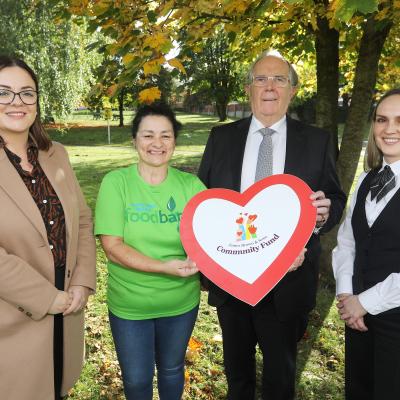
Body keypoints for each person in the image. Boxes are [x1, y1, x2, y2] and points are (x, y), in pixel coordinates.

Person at [198, 50, 346, 400]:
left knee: (280, 380)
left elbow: (335, 198)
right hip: (233, 280)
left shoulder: (318, 140)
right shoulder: (222, 138)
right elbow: (203, 201)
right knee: (238, 378)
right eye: (261, 78)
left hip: (288, 281)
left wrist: (324, 214)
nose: (269, 86)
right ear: (248, 89)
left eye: (279, 79)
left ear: (292, 90)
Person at [0, 56, 96, 400]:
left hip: (66, 309)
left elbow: (83, 219)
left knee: (56, 389)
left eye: (27, 93)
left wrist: (83, 281)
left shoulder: (56, 155)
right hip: (12, 319)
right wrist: (47, 298)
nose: (17, 102)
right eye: (4, 93)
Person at [95, 103, 205, 400]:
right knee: (136, 380)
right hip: (131, 305)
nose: (157, 144)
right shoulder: (116, 183)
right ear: (135, 140)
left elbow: (219, 235)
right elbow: (113, 248)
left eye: (165, 136)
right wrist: (163, 266)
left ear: (174, 141)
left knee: (171, 370)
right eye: (148, 135)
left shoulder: (192, 186)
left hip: (180, 302)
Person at [333, 88, 400, 399]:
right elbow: (347, 240)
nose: (389, 129)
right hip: (358, 319)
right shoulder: (366, 180)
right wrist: (347, 295)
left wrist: (366, 302)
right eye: (382, 119)